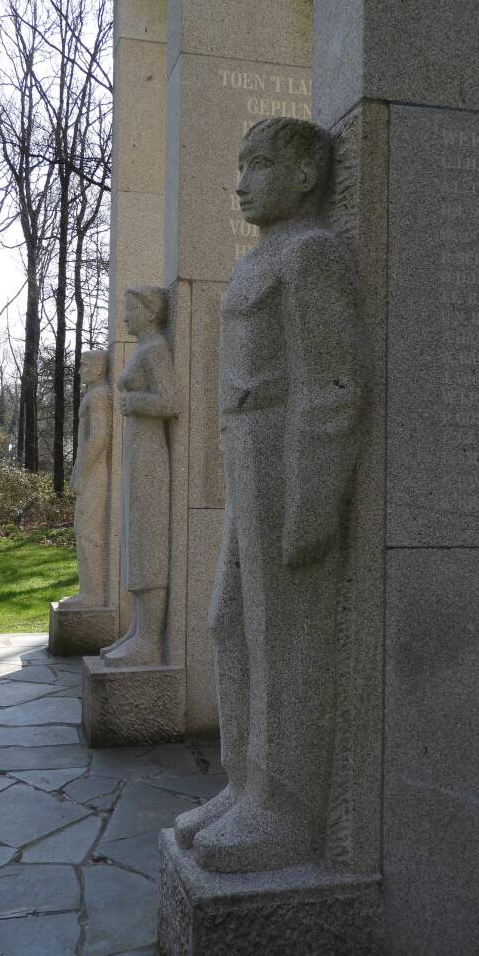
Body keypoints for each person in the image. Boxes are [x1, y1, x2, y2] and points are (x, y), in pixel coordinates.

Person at [174, 117, 369, 872]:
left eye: (257, 165)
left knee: (285, 637)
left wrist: (312, 502)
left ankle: (285, 808)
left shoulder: (313, 254)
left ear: (304, 176)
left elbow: (336, 385)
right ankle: (245, 780)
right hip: (246, 457)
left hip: (285, 467)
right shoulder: (266, 256)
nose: (240, 181)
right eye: (240, 164)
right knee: (231, 623)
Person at [101, 286, 179, 667]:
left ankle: (149, 638)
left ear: (150, 312)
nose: (125, 317)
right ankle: (137, 630)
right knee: (135, 538)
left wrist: (134, 403)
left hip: (150, 453)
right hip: (137, 451)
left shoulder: (156, 348)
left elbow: (171, 401)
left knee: (147, 539)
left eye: (131, 309)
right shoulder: (144, 348)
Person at [60, 350, 111, 609]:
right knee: (83, 529)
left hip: (95, 472)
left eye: (85, 365)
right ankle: (88, 590)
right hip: (90, 471)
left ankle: (93, 593)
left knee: (88, 530)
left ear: (99, 368)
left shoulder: (99, 395)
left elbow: (99, 437)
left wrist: (82, 471)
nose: (81, 370)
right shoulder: (95, 394)